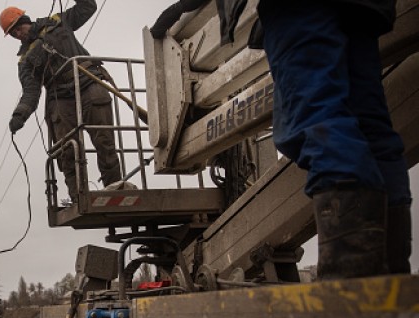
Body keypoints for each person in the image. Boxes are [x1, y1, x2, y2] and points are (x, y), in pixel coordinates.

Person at [151, 0, 412, 279]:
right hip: (366, 7)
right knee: (370, 126)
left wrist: (183, 7)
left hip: (298, 10)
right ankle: (389, 274)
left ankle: (349, 280)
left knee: (318, 120)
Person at [1, 0, 122, 203]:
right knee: (67, 150)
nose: (18, 35)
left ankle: (116, 189)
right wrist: (19, 115)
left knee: (104, 140)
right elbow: (31, 92)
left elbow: (87, 7)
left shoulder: (57, 22)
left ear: (25, 20)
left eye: (17, 28)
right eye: (13, 34)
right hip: (60, 96)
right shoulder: (25, 61)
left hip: (88, 81)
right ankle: (79, 197)